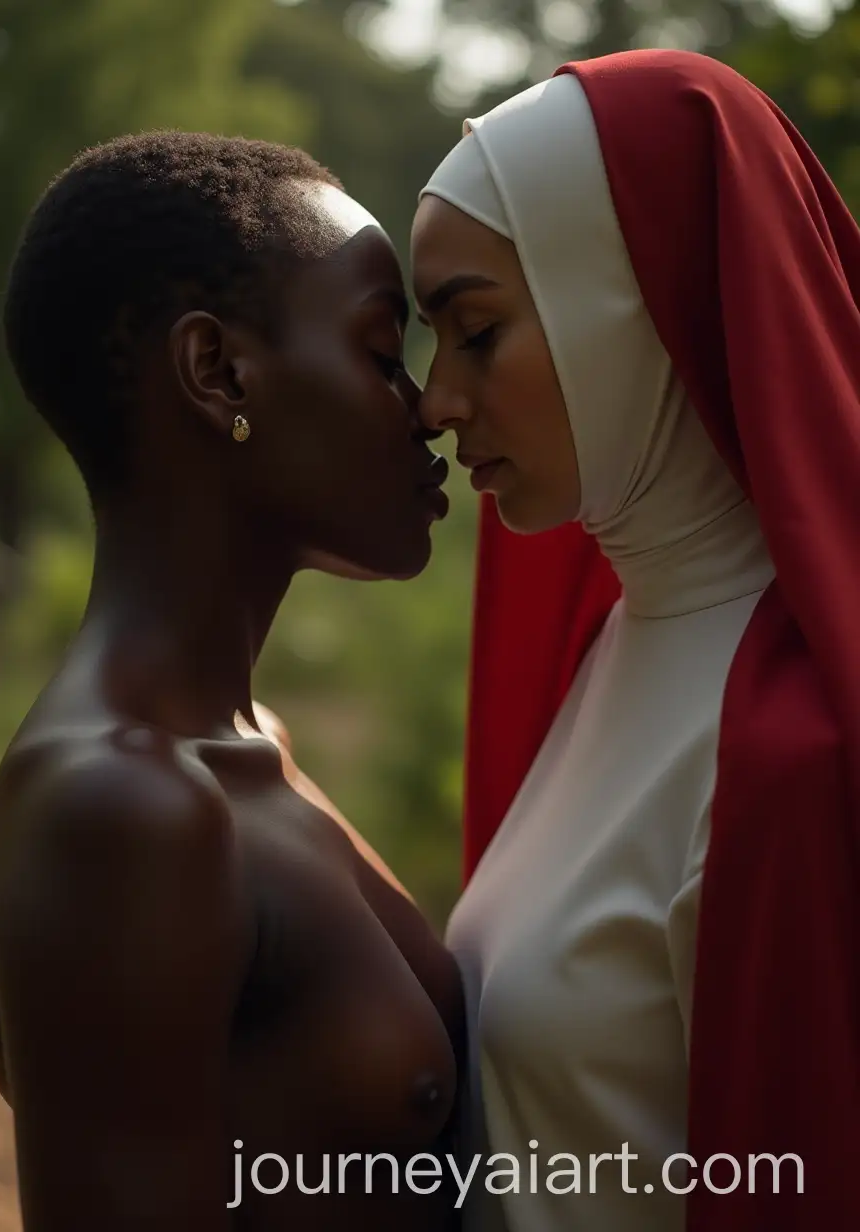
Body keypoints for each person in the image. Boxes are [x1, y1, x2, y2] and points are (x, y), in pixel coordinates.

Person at [0, 131, 465, 1232]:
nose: (428, 407)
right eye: (384, 353)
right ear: (219, 371)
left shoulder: (247, 745)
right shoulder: (124, 811)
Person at [410, 48, 860, 1232]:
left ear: (630, 298)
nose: (434, 399)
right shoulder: (612, 641)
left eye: (474, 330)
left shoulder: (798, 744)